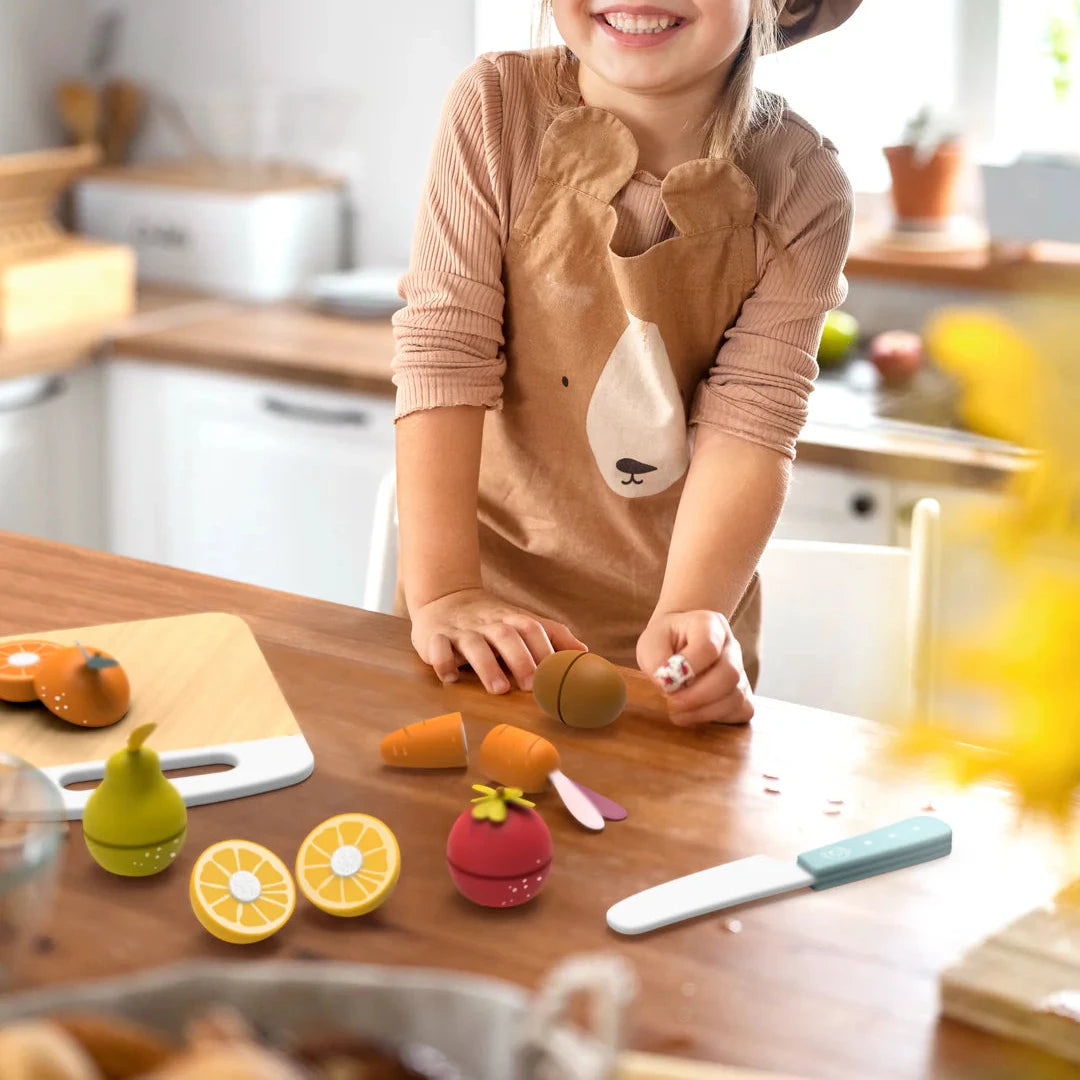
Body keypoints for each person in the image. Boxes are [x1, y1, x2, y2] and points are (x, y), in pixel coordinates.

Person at [391, 0, 860, 724]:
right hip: (475, 624)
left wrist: (694, 611)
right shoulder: (494, 108)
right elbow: (444, 349)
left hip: (667, 640)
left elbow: (752, 423)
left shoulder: (803, 186)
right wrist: (446, 593)